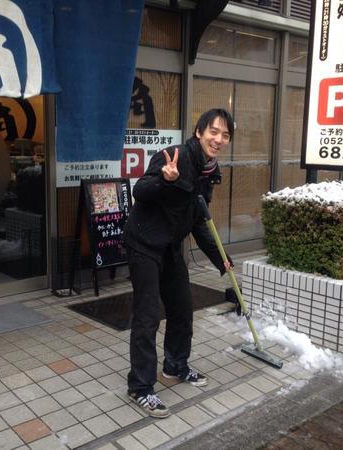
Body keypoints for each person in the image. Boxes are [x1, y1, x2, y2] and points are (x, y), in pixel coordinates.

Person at [123, 108, 234, 418]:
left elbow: (199, 221)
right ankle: (140, 387)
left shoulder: (208, 172)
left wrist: (220, 259)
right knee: (147, 315)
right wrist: (165, 179)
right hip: (144, 242)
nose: (219, 139)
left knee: (182, 308)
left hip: (171, 245)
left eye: (225, 135)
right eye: (214, 131)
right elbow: (140, 191)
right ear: (199, 132)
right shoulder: (173, 156)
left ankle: (175, 366)